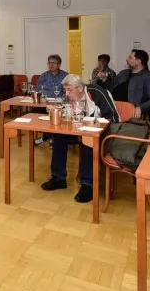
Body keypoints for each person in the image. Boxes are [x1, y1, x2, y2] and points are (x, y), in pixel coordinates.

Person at [41, 74, 119, 203]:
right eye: (65, 90)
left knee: (88, 142)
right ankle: (58, 178)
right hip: (80, 130)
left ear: (80, 88)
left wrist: (93, 125)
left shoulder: (97, 92)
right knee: (59, 137)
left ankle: (87, 185)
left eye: (69, 90)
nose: (67, 93)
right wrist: (59, 110)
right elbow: (68, 116)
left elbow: (113, 118)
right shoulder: (70, 96)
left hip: (104, 133)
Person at [98, 49, 150, 118]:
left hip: (129, 115)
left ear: (138, 61)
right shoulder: (123, 73)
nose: (127, 59)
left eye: (130, 57)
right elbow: (111, 89)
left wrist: (141, 107)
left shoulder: (147, 76)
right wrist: (104, 79)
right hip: (111, 110)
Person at [33, 55, 69, 146]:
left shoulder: (65, 76)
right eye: (49, 63)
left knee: (57, 115)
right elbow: (38, 90)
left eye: (54, 63)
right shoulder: (44, 76)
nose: (51, 65)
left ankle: (47, 138)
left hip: (60, 104)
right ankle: (50, 137)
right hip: (45, 103)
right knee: (35, 112)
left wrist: (62, 99)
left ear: (59, 64)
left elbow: (69, 91)